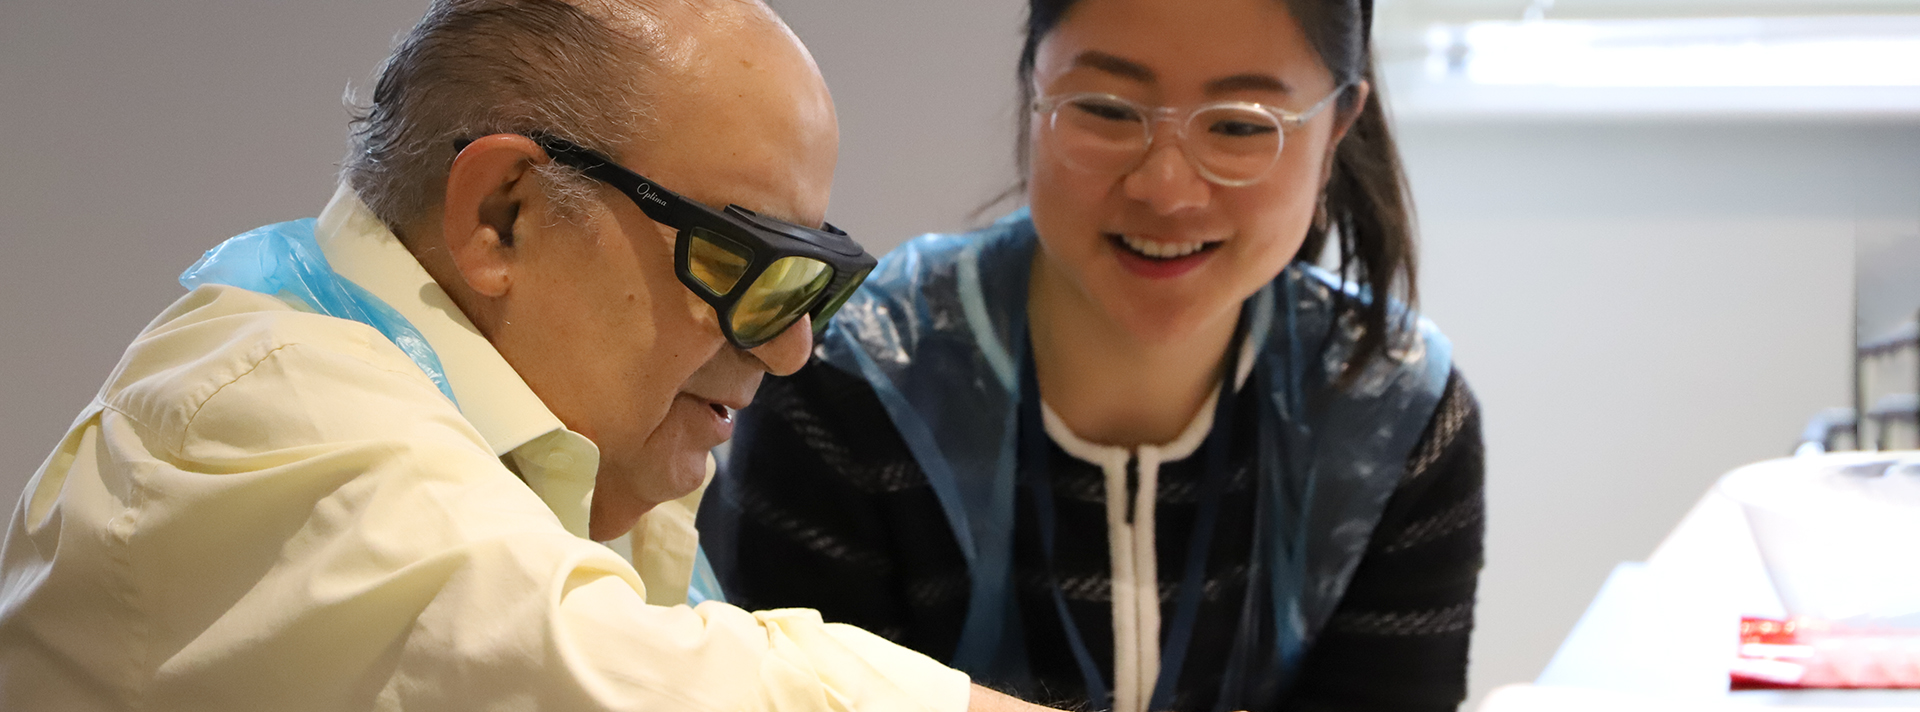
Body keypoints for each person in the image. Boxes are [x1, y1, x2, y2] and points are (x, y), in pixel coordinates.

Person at [0, 1, 1064, 710]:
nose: (790, 350)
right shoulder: (258, 412)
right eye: (744, 262)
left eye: (815, 284)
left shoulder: (560, 452)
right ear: (502, 214)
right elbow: (596, 673)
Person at [700, 0, 1485, 710]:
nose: (1167, 188)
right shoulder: (849, 383)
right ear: (1032, 92)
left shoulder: (1395, 419)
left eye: (1242, 125)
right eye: (1107, 109)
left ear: (1339, 125)